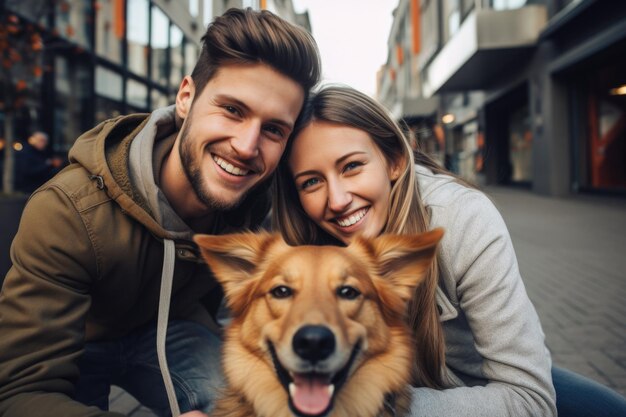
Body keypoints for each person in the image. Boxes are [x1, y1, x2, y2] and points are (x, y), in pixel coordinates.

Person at [0, 8, 320, 417]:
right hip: (79, 338)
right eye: (233, 110)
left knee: (253, 403)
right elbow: (20, 394)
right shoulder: (68, 211)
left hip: (174, 328)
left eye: (273, 129)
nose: (246, 146)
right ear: (186, 97)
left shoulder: (258, 208)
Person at [272, 86, 626, 416]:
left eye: (352, 166)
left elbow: (529, 397)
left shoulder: (462, 218)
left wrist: (387, 408)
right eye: (311, 182)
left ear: (394, 161)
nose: (337, 200)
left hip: (481, 386)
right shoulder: (300, 242)